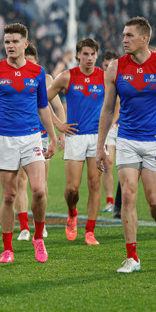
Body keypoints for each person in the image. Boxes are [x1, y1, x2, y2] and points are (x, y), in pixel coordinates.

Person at [96, 16, 156, 273]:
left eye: (129, 36)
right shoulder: (115, 68)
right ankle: (132, 257)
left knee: (155, 202)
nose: (124, 40)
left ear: (145, 38)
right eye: (123, 35)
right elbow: (107, 109)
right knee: (128, 196)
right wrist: (100, 146)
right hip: (126, 140)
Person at [0, 23, 57, 264]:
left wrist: (53, 137)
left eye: (15, 41)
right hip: (6, 139)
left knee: (39, 190)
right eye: (7, 42)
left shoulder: (37, 72)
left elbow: (43, 106)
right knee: (9, 196)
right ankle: (7, 248)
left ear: (25, 44)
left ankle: (38, 239)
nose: (10, 46)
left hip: (32, 136)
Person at [47, 38, 105, 245]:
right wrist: (59, 124)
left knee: (94, 183)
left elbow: (116, 104)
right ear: (78, 55)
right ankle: (72, 213)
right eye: (85, 54)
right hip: (74, 136)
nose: (89, 58)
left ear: (97, 56)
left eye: (93, 54)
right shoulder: (66, 77)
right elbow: (41, 101)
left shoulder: (105, 78)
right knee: (72, 189)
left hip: (97, 138)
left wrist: (110, 124)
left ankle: (90, 230)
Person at [14, 44, 65, 241]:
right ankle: (25, 228)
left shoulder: (45, 78)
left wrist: (59, 134)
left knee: (40, 185)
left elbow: (58, 107)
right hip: (18, 133)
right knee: (20, 181)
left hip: (41, 135)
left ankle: (39, 224)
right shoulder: (13, 75)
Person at [100, 51, 119, 213]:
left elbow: (118, 104)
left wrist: (114, 122)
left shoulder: (120, 77)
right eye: (106, 65)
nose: (108, 68)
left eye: (111, 65)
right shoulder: (100, 80)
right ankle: (110, 201)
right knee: (108, 163)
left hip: (123, 125)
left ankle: (123, 199)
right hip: (109, 127)